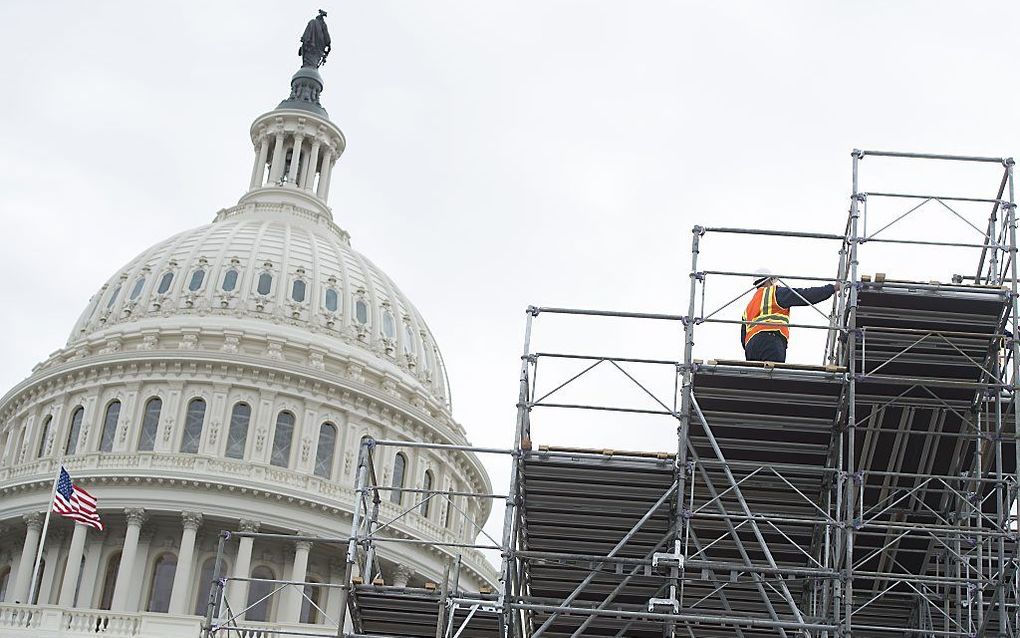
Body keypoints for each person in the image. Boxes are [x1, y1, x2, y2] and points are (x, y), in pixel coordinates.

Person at [741, 268, 841, 363]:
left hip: (751, 347)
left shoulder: (749, 306)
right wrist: (832, 288)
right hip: (770, 339)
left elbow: (743, 338)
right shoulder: (774, 292)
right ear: (769, 280)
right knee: (772, 377)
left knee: (754, 378)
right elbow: (805, 295)